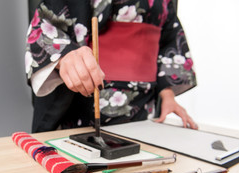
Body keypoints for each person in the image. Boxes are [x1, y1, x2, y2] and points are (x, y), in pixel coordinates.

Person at [25, 0, 198, 133]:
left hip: (145, 106)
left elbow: (169, 40)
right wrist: (64, 56)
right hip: (89, 100)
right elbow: (46, 25)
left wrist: (167, 94)